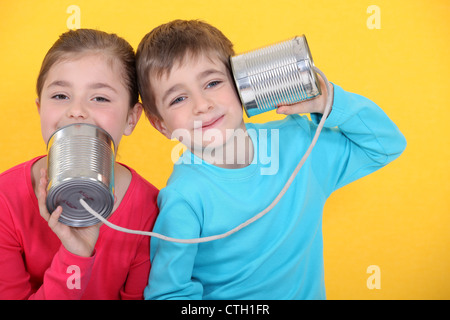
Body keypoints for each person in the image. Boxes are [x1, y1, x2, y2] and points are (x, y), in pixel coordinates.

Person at [136, 19, 406, 299]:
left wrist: (330, 103)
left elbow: (385, 145)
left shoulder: (298, 143)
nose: (202, 105)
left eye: (213, 83)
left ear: (240, 84)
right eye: (178, 99)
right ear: (161, 125)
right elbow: (168, 294)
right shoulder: (184, 197)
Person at [0, 29, 159, 299]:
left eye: (100, 98)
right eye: (61, 95)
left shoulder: (151, 210)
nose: (76, 110)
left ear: (132, 118)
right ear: (40, 110)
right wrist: (75, 255)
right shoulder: (5, 198)